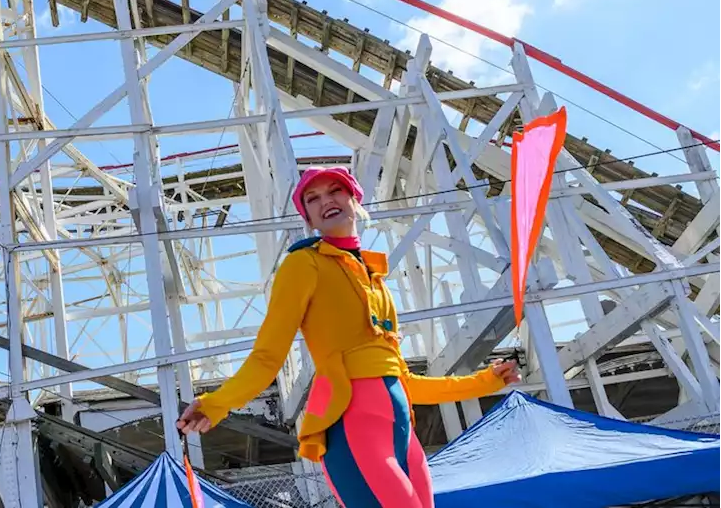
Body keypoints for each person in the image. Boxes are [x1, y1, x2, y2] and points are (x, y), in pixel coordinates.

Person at [176, 166, 520, 508]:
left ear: (355, 198)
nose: (326, 201)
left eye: (335, 191)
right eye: (313, 198)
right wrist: (214, 403)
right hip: (350, 425)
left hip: (402, 432)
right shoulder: (303, 264)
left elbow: (402, 382)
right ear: (307, 218)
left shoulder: (375, 280)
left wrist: (486, 382)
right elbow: (269, 356)